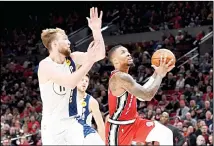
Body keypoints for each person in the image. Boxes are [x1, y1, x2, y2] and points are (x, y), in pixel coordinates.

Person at [38, 7, 105, 145]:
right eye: (65, 39)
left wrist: (96, 32)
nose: (69, 42)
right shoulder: (45, 65)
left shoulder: (72, 59)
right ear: (55, 44)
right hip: (52, 125)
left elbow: (99, 55)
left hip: (72, 121)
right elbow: (70, 82)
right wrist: (89, 60)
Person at [105, 45, 174, 145]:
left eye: (128, 51)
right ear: (115, 61)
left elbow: (141, 95)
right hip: (119, 129)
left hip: (135, 123)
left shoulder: (126, 77)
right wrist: (160, 75)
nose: (128, 54)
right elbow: (147, 95)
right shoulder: (119, 77)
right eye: (123, 52)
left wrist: (156, 73)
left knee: (165, 134)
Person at [76, 74, 105, 145]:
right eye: (82, 80)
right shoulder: (67, 98)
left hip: (85, 139)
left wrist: (103, 143)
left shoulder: (91, 102)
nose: (84, 82)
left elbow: (101, 126)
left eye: (86, 81)